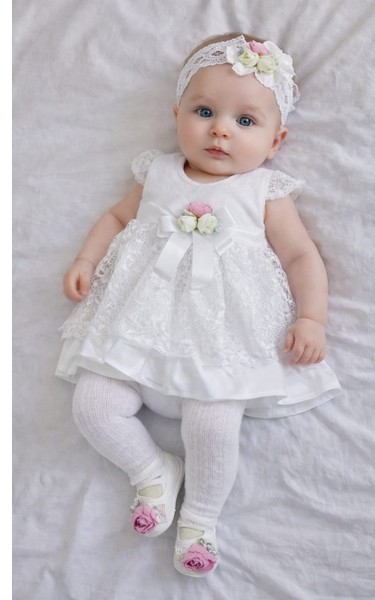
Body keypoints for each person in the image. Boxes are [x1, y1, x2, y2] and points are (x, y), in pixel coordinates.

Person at [56, 32, 341, 577]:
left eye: (245, 121)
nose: (220, 130)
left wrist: (312, 317)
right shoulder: (158, 174)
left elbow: (301, 255)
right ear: (177, 114)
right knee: (92, 406)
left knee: (213, 430)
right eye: (204, 111)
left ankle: (201, 518)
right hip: (136, 332)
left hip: (220, 345)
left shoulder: (263, 190)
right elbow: (115, 218)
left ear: (276, 140)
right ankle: (152, 472)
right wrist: (87, 260)